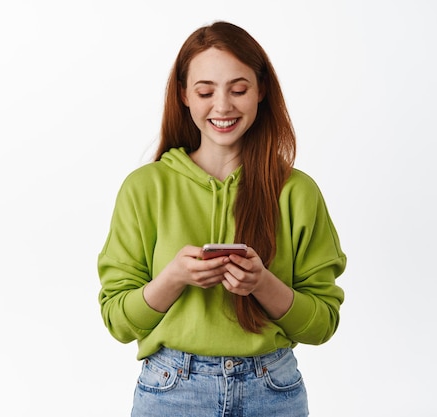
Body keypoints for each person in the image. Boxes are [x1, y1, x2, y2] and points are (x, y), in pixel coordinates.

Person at [97, 21, 346, 417]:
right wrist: (174, 278)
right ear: (184, 96)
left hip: (272, 387)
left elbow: (321, 325)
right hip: (171, 389)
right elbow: (119, 321)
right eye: (205, 91)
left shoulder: (297, 192)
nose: (223, 106)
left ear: (261, 90)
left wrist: (263, 283)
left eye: (239, 89)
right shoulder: (145, 188)